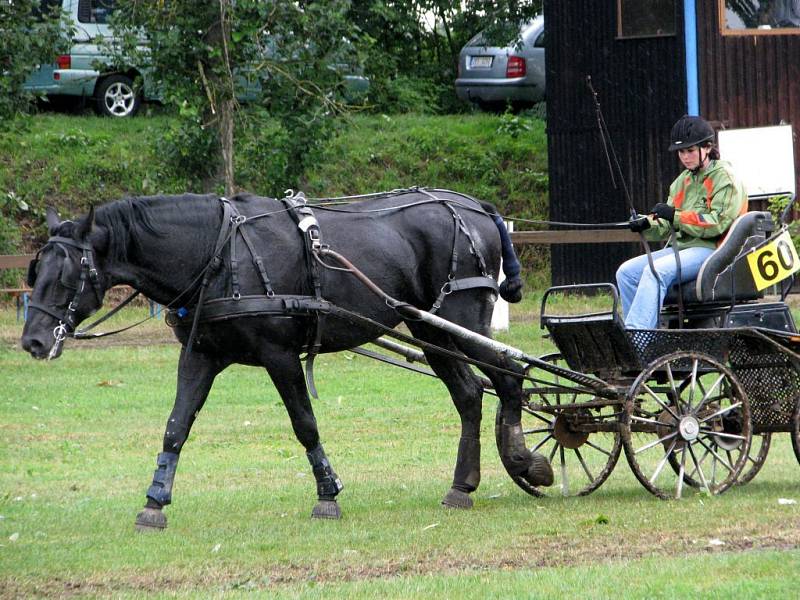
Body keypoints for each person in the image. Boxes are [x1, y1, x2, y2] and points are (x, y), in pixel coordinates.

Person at [616, 115, 748, 329]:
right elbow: (666, 226)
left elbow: (717, 223)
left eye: (690, 150)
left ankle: (638, 338)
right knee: (626, 272)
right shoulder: (681, 183)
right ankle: (636, 334)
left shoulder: (725, 178)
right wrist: (646, 223)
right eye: (681, 152)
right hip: (682, 250)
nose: (685, 157)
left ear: (707, 148)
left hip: (713, 250)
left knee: (655, 270)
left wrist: (674, 215)